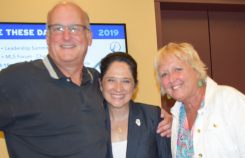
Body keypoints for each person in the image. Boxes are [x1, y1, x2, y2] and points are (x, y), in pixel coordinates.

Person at [0, 1, 171, 158]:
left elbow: (120, 102)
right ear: (47, 36)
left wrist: (162, 118)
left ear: (89, 37)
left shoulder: (94, 80)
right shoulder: (15, 80)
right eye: (57, 28)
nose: (66, 36)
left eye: (75, 28)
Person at [154, 42, 245, 158]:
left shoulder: (231, 102)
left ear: (196, 70)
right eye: (164, 74)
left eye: (178, 69)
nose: (171, 78)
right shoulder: (177, 118)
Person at [99, 52, 172, 158]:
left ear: (135, 87)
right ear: (101, 84)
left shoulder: (153, 117)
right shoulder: (91, 121)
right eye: (111, 80)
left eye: (126, 81)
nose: (118, 88)